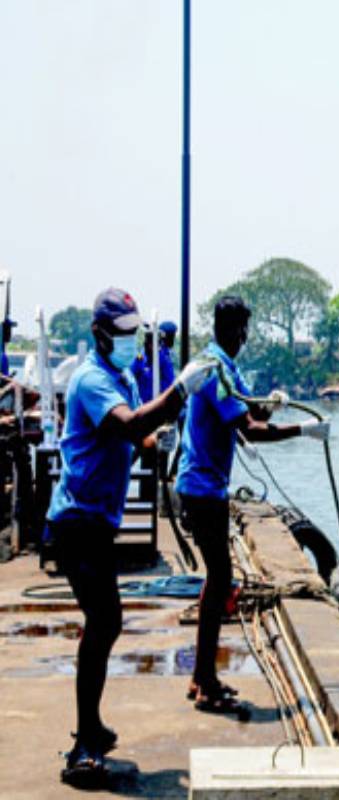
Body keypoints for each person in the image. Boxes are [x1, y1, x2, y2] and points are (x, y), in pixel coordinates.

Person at [47, 288, 214, 785]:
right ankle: (83, 744)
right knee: (103, 621)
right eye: (122, 334)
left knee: (106, 622)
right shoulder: (92, 380)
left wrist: (152, 441)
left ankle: (92, 725)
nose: (130, 342)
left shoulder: (119, 376)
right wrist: (179, 393)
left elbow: (134, 433)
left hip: (98, 520)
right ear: (100, 335)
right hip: (77, 521)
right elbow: (130, 421)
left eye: (134, 333)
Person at [175, 295, 329, 715]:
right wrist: (302, 429)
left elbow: (250, 407)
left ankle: (201, 675)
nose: (244, 338)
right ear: (231, 329)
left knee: (218, 579)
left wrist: (272, 403)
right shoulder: (213, 371)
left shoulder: (226, 366)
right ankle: (204, 682)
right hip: (201, 488)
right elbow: (250, 430)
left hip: (209, 487)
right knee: (220, 580)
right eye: (242, 330)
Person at [130, 321, 177, 403]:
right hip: (144, 404)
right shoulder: (143, 356)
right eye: (171, 336)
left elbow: (170, 383)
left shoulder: (165, 355)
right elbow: (131, 373)